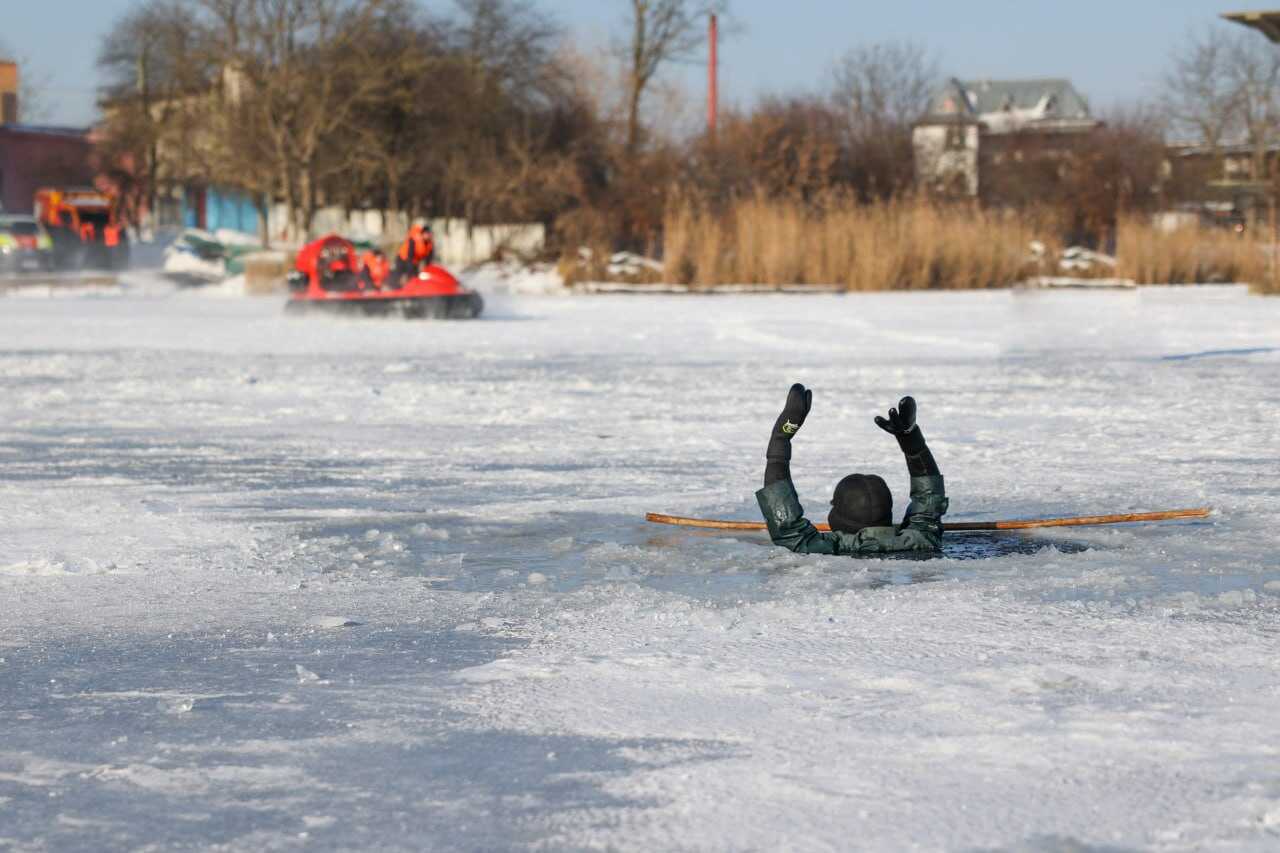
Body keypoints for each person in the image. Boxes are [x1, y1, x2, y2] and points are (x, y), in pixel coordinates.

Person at [756, 383, 948, 555]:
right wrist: (912, 440)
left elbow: (789, 531)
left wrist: (781, 438)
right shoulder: (922, 540)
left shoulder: (821, 550)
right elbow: (928, 500)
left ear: (840, 517)